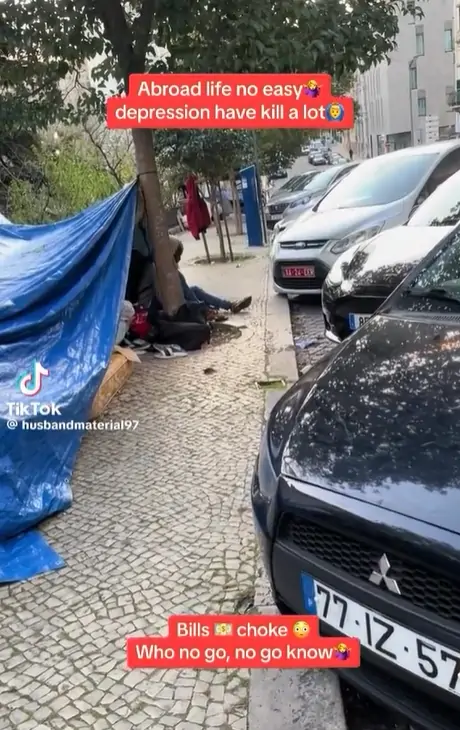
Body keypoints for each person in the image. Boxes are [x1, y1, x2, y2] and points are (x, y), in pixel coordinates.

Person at [172, 239, 252, 315]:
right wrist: (202, 308)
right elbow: (187, 295)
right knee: (194, 296)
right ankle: (209, 310)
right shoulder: (175, 274)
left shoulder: (171, 271)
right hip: (179, 306)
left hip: (178, 302)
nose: (180, 258)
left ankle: (228, 305)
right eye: (178, 255)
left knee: (195, 290)